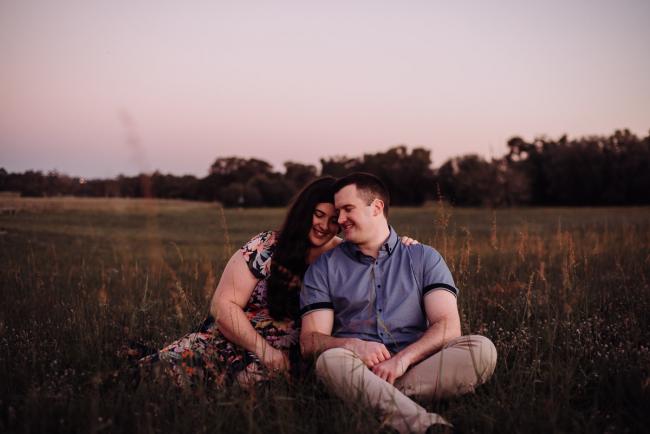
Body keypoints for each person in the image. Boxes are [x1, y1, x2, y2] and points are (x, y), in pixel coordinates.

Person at [138, 176, 418, 387]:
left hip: (297, 356)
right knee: (149, 378)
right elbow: (224, 306)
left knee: (252, 390)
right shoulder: (267, 246)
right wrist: (265, 352)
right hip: (234, 341)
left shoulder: (342, 255)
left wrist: (406, 244)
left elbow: (383, 248)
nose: (324, 225)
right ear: (303, 210)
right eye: (318, 214)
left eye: (334, 220)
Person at [300, 173, 497, 433]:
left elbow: (448, 326)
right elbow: (310, 341)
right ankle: (424, 425)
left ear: (377, 207)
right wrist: (354, 346)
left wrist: (402, 360)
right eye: (338, 212)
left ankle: (373, 398)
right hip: (357, 367)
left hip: (417, 365)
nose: (340, 220)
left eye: (348, 209)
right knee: (330, 361)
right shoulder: (325, 267)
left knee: (481, 349)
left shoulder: (423, 257)